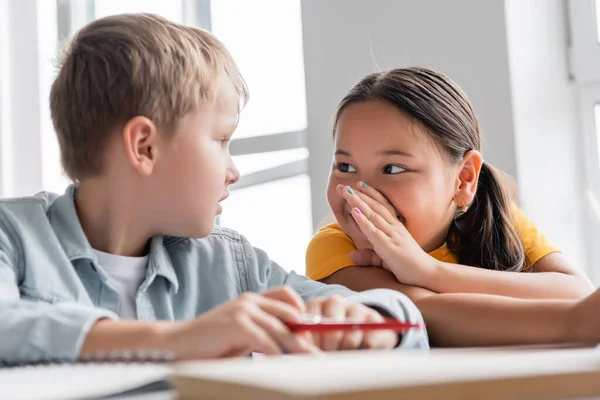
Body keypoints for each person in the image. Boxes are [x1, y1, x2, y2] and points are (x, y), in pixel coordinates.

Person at [0, 15, 428, 365]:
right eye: (221, 141)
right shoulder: (13, 235)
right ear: (144, 147)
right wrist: (179, 339)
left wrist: (367, 321)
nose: (233, 171)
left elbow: (399, 318)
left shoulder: (228, 261)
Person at [306, 67, 595, 346]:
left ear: (464, 179)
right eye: (345, 166)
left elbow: (575, 292)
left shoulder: (492, 213)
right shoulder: (334, 248)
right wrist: (571, 324)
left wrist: (427, 271)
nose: (360, 192)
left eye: (392, 169)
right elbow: (423, 313)